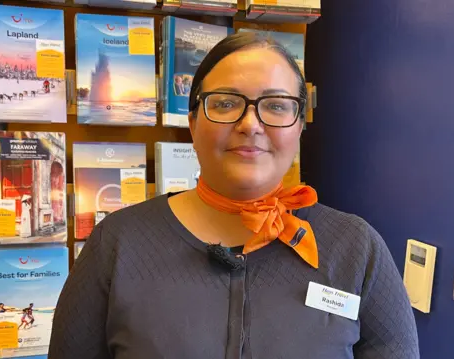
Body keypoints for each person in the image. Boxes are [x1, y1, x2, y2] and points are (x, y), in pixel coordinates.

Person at [48, 31, 419, 358]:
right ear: (192, 124)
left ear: (299, 127)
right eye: (225, 103)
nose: (250, 125)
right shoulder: (118, 244)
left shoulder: (357, 250)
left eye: (275, 106)